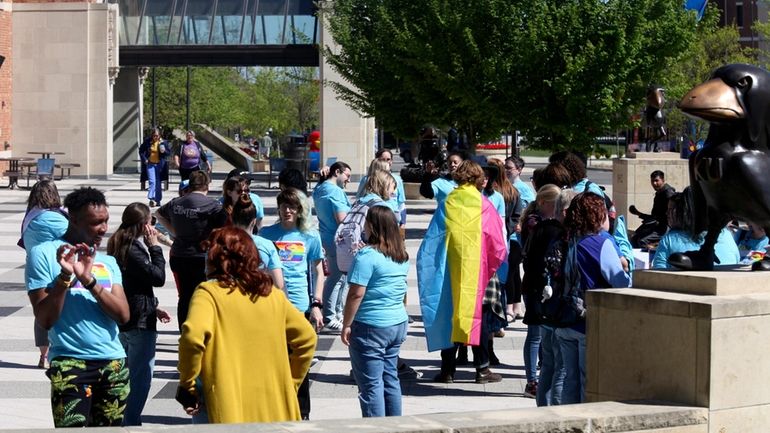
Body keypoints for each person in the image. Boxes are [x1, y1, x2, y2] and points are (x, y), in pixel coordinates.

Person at [176, 227, 317, 423]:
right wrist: (291, 382)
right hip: (272, 404)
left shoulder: (209, 293)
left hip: (226, 403)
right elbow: (307, 338)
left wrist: (187, 385)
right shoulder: (273, 296)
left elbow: (192, 336)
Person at [26, 187, 130, 427]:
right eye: (95, 223)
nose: (103, 229)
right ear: (73, 219)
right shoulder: (43, 254)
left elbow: (123, 315)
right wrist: (65, 275)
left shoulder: (107, 262)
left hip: (113, 363)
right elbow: (45, 319)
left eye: (105, 221)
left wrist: (89, 280)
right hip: (70, 364)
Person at [417, 160, 508, 384]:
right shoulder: (484, 204)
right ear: (478, 179)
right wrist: (494, 268)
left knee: (449, 316)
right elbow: (498, 244)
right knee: (480, 320)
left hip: (449, 273)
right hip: (481, 273)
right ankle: (482, 370)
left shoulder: (447, 203)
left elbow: (432, 242)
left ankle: (447, 370)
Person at [558, 192, 632, 404]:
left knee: (569, 381)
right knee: (587, 383)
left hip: (565, 318)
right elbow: (621, 283)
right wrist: (625, 267)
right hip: (588, 322)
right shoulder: (601, 244)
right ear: (598, 216)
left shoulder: (570, 239)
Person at [260, 187, 324, 419]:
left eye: (292, 207)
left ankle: (301, 410)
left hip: (300, 306)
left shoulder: (309, 235)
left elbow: (319, 269)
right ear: (278, 208)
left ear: (299, 210)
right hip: (272, 305)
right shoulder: (266, 233)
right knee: (275, 361)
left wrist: (317, 303)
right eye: (284, 206)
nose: (288, 211)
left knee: (300, 361)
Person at [106, 202, 172, 426]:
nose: (153, 226)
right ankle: (130, 422)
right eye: (151, 222)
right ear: (144, 225)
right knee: (140, 378)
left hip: (129, 315)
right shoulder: (132, 248)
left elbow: (134, 283)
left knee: (125, 375)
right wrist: (155, 247)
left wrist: (154, 305)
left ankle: (123, 419)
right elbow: (157, 277)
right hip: (138, 322)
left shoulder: (118, 242)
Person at [341, 206, 410, 417]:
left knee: (371, 386)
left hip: (371, 326)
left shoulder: (367, 256)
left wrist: (346, 324)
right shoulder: (401, 256)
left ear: (372, 226)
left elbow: (356, 294)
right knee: (390, 379)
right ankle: (396, 427)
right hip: (397, 323)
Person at [156, 170, 227, 329]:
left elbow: (158, 214)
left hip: (179, 255)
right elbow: (224, 226)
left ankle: (184, 330)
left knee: (185, 297)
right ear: (207, 185)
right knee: (204, 294)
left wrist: (174, 231)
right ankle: (202, 328)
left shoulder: (176, 203)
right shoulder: (213, 205)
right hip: (202, 257)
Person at [18, 179, 69, 369]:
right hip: (53, 267)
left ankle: (43, 354)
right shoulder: (52, 217)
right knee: (59, 308)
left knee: (40, 309)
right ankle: (58, 351)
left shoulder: (31, 216)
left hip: (34, 267)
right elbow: (73, 234)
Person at [519, 184, 563, 400]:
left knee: (537, 335)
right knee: (536, 335)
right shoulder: (538, 224)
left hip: (533, 284)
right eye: (556, 205)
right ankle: (532, 380)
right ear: (545, 203)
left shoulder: (536, 222)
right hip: (537, 286)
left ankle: (535, 379)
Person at [651, 192, 740, 269]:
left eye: (671, 209)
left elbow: (658, 273)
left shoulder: (670, 239)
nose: (667, 213)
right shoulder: (727, 235)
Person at [312, 161, 352, 331]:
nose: (348, 180)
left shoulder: (319, 189)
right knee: (337, 278)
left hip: (326, 237)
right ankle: (330, 314)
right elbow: (342, 218)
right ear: (337, 172)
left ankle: (337, 311)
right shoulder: (336, 192)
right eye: (347, 176)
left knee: (339, 277)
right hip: (337, 239)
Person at [230, 193, 285, 290]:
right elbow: (279, 284)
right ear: (254, 221)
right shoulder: (267, 245)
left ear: (232, 219)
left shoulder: (221, 244)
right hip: (259, 298)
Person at [505, 156, 535, 320]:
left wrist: (522, 224)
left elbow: (531, 211)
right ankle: (517, 306)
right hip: (509, 237)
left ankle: (511, 306)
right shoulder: (505, 187)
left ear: (519, 170)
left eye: (510, 168)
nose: (506, 170)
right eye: (505, 167)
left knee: (510, 271)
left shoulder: (523, 189)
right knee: (514, 272)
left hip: (517, 239)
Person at [358, 149, 407, 229]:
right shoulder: (367, 179)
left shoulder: (397, 179)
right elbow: (360, 200)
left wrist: (403, 223)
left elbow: (401, 204)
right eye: (382, 159)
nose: (386, 162)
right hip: (373, 222)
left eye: (388, 159)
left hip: (393, 222)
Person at [629, 170, 676, 249]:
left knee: (643, 241)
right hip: (656, 225)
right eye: (652, 181)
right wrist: (639, 214)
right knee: (634, 237)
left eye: (657, 181)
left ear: (663, 180)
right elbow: (655, 216)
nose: (654, 183)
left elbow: (672, 214)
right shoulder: (659, 193)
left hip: (664, 228)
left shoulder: (668, 193)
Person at [139, 128, 169, 207]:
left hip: (159, 165)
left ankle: (158, 200)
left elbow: (168, 153)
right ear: (152, 135)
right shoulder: (148, 142)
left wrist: (164, 151)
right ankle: (151, 198)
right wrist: (144, 159)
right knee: (152, 181)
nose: (155, 137)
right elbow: (141, 151)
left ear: (159, 135)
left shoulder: (163, 142)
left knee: (158, 183)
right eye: (154, 135)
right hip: (150, 164)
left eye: (157, 136)